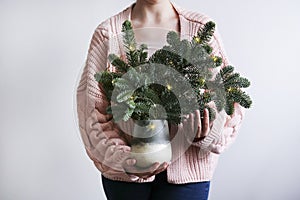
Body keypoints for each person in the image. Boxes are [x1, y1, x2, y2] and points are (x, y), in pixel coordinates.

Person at [76, 0, 245, 199]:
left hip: (188, 179)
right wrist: (127, 160)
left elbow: (229, 98)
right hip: (126, 182)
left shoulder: (200, 30)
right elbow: (93, 114)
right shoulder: (108, 33)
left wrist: (205, 129)